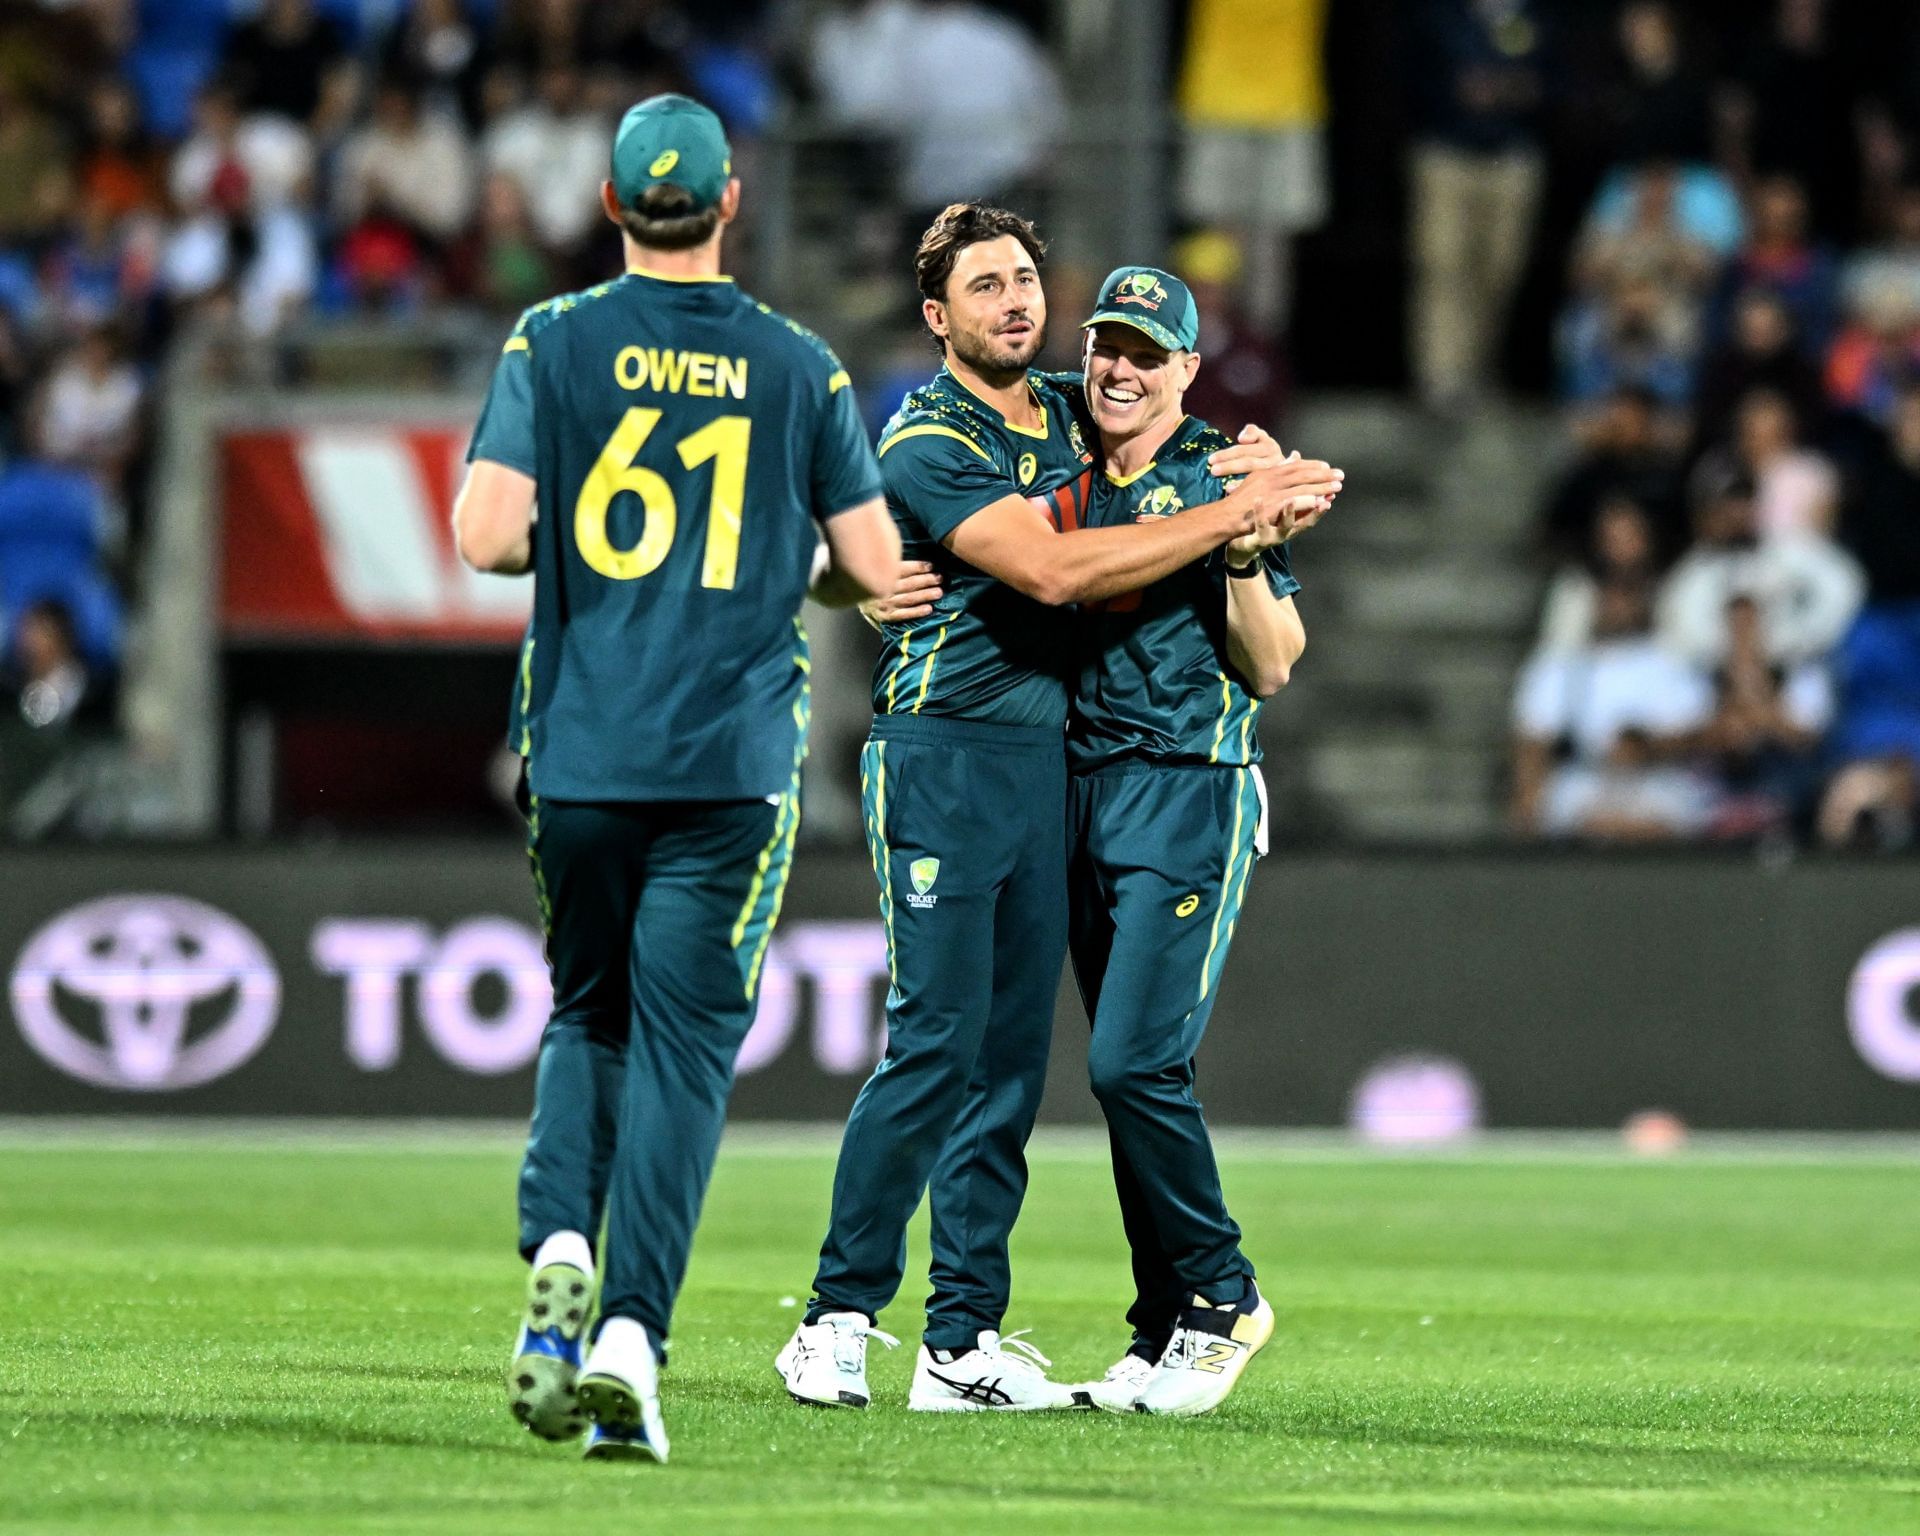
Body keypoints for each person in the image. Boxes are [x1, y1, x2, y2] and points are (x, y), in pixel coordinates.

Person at [776, 204, 1335, 1413]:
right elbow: (1041, 568)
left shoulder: (1083, 417)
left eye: (1027, 280)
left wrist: (1250, 477)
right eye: (986, 287)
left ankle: (961, 1338)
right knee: (936, 1047)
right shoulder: (930, 432)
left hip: (1066, 775)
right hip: (945, 755)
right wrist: (853, 585)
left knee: (1010, 1072)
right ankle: (833, 1319)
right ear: (939, 316)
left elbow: (1194, 466)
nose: (1017, 303)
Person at [452, 92, 902, 1464]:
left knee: (587, 1013)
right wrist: (791, 561)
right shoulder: (799, 365)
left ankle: (563, 1243)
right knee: (686, 1052)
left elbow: (483, 538)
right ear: (731, 203)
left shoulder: (552, 338)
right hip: (727, 765)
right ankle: (633, 1338)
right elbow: (877, 576)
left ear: (608, 208)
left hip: (582, 749)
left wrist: (594, 559)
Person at [1061, 267, 1328, 1415]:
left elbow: (1272, 663)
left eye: (1145, 351)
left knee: (1132, 1063)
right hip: (1073, 790)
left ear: (1184, 370)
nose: (1120, 368)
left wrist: (1240, 548)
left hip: (1186, 788)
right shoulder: (1053, 458)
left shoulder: (1223, 471)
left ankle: (1223, 1299)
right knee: (1131, 1080)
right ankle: (1161, 1322)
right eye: (1106, 345)